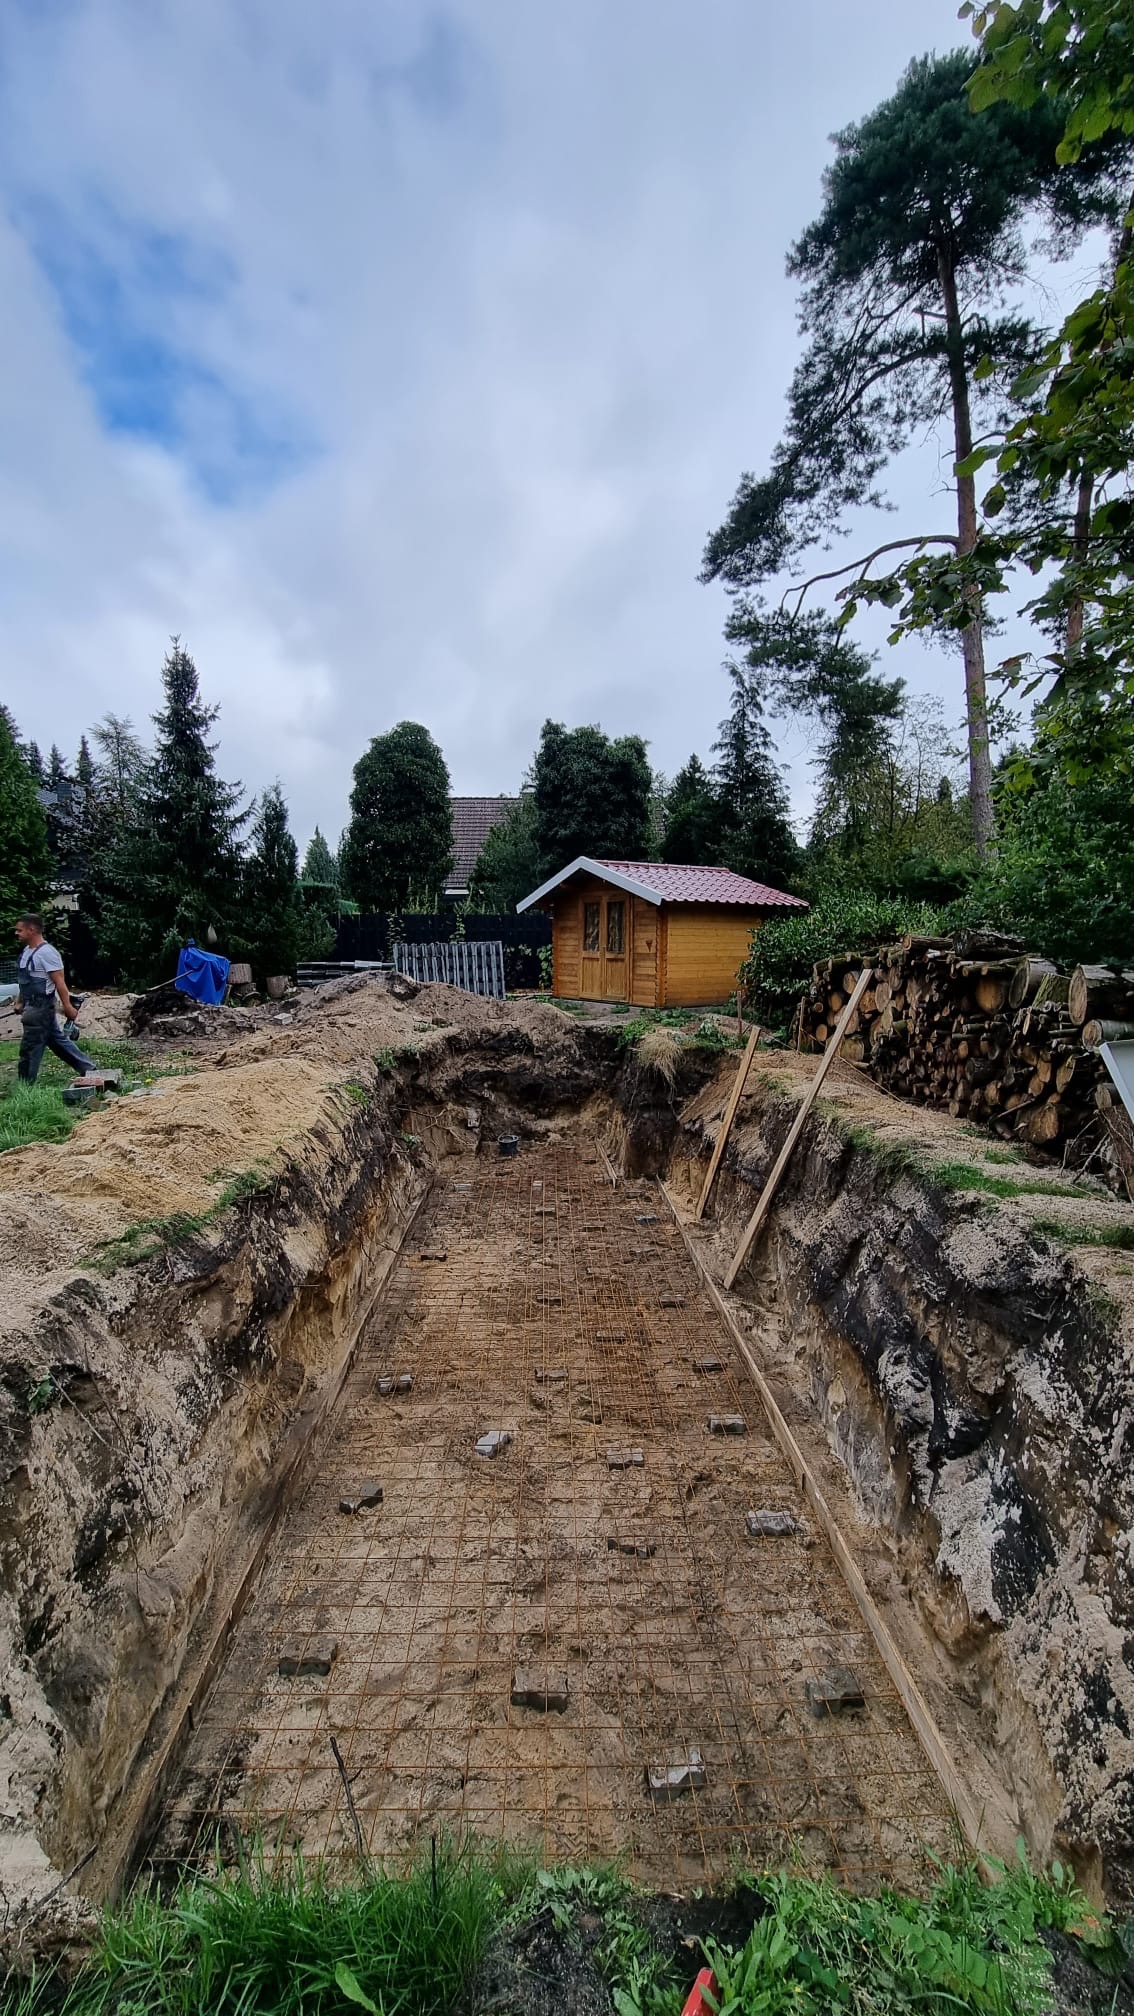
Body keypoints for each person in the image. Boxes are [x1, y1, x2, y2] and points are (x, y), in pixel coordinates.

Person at [14, 913, 96, 1084]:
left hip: (41, 1007)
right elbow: (25, 982)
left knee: (30, 1047)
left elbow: (60, 982)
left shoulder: (47, 953)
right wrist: (20, 1001)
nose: (17, 933)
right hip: (31, 1005)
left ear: (32, 930)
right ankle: (89, 1069)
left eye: (19, 930)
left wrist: (67, 1007)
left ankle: (24, 1086)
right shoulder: (27, 952)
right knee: (56, 1041)